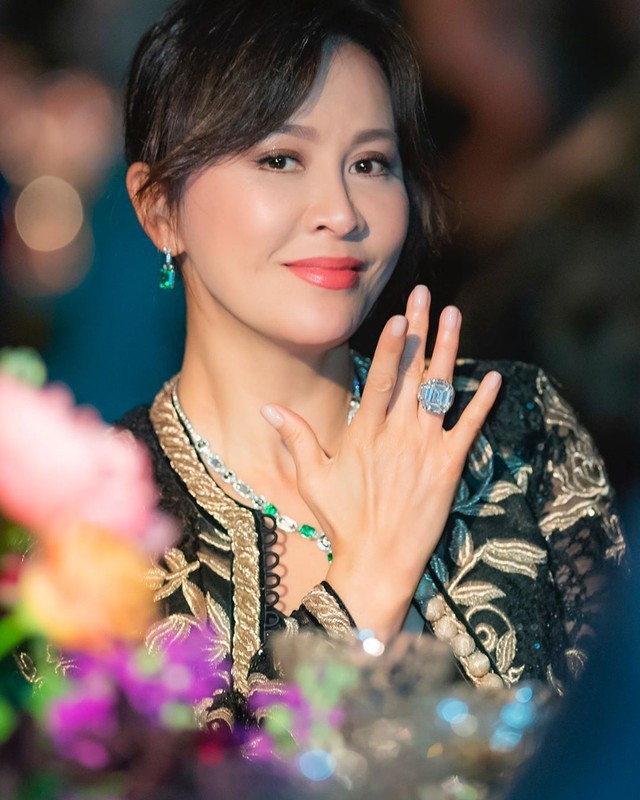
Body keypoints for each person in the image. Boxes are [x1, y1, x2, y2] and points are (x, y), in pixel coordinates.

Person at [119, 0, 625, 728]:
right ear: (159, 208)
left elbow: (616, 735)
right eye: (280, 159)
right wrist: (362, 591)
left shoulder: (514, 430)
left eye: (369, 163)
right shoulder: (96, 529)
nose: (342, 210)